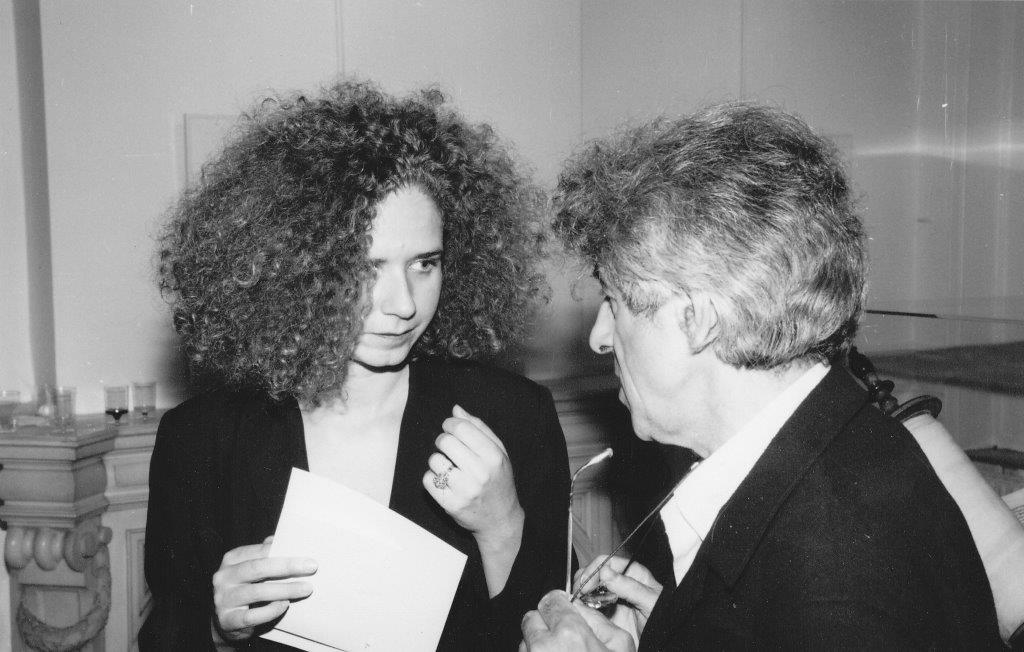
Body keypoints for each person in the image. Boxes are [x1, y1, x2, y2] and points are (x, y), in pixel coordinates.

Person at [520, 102, 1003, 650]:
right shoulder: (835, 442)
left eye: (614, 301)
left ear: (699, 321)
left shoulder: (832, 579)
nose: (600, 337)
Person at [140, 79, 569, 651]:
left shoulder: (513, 415)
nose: (403, 304)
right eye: (366, 268)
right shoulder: (200, 440)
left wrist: (503, 525)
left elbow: (560, 627)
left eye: (424, 263)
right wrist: (219, 630)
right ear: (296, 267)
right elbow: (164, 635)